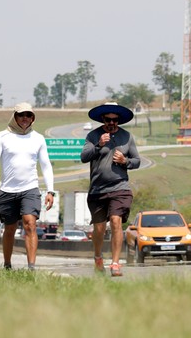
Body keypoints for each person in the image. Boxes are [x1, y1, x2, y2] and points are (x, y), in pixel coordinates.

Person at [0, 102, 55, 271]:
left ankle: (31, 266)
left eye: (29, 115)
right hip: (8, 190)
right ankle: (7, 264)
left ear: (33, 118)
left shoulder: (38, 138)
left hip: (30, 189)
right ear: (15, 117)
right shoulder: (2, 136)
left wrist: (50, 190)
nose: (25, 118)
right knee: (9, 229)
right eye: (21, 115)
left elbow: (46, 165)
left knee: (30, 223)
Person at [80, 102, 141, 277]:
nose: (112, 123)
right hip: (97, 190)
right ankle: (98, 258)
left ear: (119, 121)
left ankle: (115, 263)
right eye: (108, 120)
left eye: (115, 120)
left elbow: (137, 161)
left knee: (116, 221)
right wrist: (98, 145)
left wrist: (125, 161)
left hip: (120, 187)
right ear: (102, 119)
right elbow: (84, 157)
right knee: (99, 229)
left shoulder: (127, 137)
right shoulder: (93, 135)